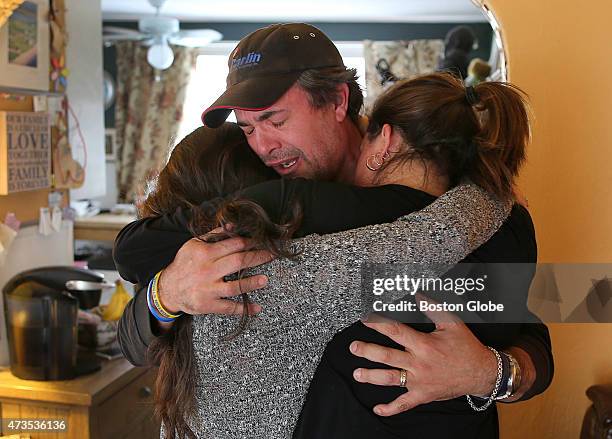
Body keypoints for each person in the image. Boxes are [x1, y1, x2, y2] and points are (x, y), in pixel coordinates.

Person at [114, 24, 553, 438]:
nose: (263, 146)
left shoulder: (446, 187)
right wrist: (166, 294)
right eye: (248, 128)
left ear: (338, 101)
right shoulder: (247, 177)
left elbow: (523, 324)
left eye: (276, 120)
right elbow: (138, 336)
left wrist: (491, 373)